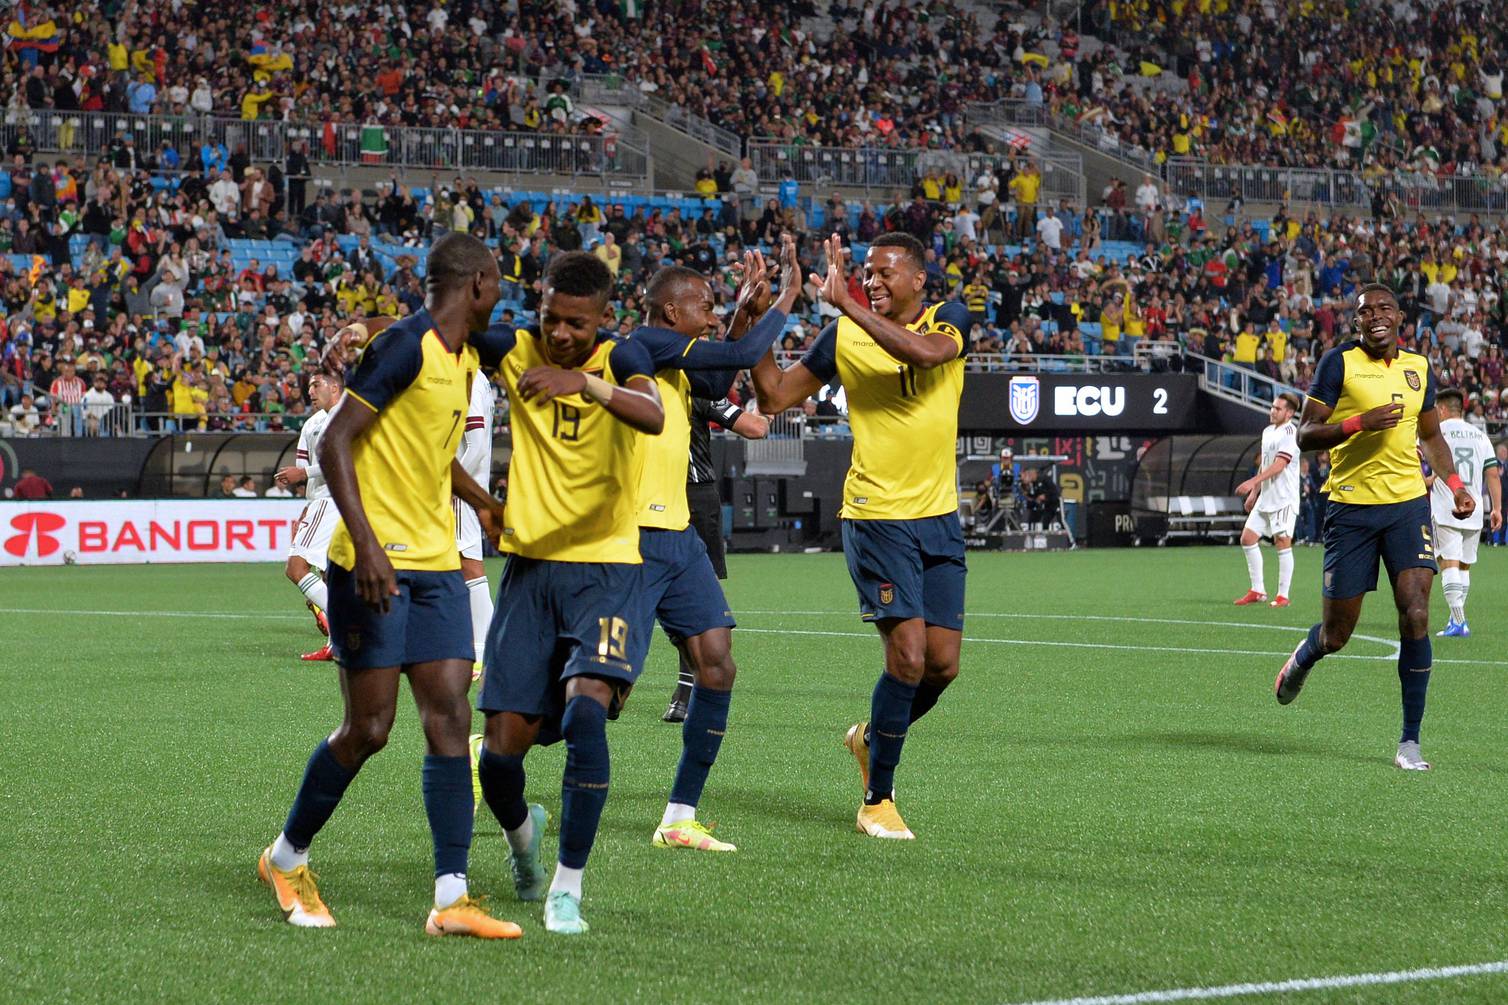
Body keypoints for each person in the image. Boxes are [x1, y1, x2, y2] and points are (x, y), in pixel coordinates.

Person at [256, 233, 519, 938]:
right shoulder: (406, 347)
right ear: (478, 282)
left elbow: (429, 454)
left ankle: (451, 896)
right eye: (498, 284)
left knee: (450, 716)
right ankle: (285, 857)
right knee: (369, 729)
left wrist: (483, 504)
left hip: (435, 564)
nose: (502, 296)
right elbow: (335, 439)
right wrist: (367, 545)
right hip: (372, 564)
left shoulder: (462, 355)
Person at [751, 232, 973, 840]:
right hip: (876, 516)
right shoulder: (842, 335)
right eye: (866, 273)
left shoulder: (950, 318)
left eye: (883, 273)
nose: (871, 281)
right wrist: (757, 326)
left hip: (938, 518)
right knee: (907, 658)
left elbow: (926, 355)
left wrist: (848, 303)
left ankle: (871, 738)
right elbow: (773, 396)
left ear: (919, 279)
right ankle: (878, 800)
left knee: (942, 666)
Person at [469, 252, 664, 936]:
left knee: (586, 717)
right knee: (498, 759)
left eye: (576, 324)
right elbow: (435, 331)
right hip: (530, 573)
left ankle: (567, 889)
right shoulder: (514, 346)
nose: (559, 333)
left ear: (603, 317)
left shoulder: (621, 357)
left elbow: (653, 414)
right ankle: (523, 838)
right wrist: (367, 328)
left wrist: (583, 381)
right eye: (550, 317)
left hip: (606, 571)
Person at [619, 244, 798, 853]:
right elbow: (742, 356)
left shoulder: (676, 358)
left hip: (678, 537)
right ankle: (502, 740)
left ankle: (679, 816)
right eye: (705, 305)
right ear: (671, 311)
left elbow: (722, 379)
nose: (713, 313)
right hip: (632, 538)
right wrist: (788, 295)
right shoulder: (646, 345)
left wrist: (746, 311)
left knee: (717, 662)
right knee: (608, 694)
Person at [1274, 284, 1473, 773]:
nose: (1376, 316)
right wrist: (1358, 422)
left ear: (1401, 317)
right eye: (1367, 311)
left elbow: (1431, 434)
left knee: (1417, 613)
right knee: (1338, 633)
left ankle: (1410, 741)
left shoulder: (1419, 367)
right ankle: (1307, 653)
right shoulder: (1338, 363)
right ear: (1357, 321)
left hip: (1407, 506)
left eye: (1385, 308)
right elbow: (1304, 435)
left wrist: (1454, 484)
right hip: (1351, 510)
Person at [273, 368, 344, 662]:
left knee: (296, 567)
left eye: (316, 385)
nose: (310, 391)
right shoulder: (312, 424)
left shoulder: (349, 417)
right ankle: (337, 644)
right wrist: (305, 507)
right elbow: (307, 471)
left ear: (335, 386)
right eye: (309, 386)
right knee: (331, 574)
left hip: (333, 500)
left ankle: (349, 622)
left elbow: (346, 461)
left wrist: (302, 473)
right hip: (322, 501)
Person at [1425, 389, 1502, 637]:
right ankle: (1455, 619)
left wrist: (1424, 480)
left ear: (1442, 409)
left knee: (1448, 563)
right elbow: (1492, 474)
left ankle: (1459, 622)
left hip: (1447, 506)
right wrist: (1497, 508)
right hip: (1474, 508)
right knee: (1464, 567)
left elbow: (1414, 456)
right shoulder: (1480, 435)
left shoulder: (1436, 433)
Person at [1233, 391, 1301, 607]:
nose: (1272, 411)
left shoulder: (1290, 432)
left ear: (1289, 413)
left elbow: (1279, 465)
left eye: (1278, 408)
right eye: (1272, 407)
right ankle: (1257, 590)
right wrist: (1255, 493)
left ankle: (1283, 596)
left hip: (1284, 497)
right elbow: (1265, 463)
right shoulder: (1268, 431)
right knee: (1247, 538)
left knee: (1282, 542)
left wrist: (1252, 482)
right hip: (1267, 496)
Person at [455, 368, 498, 678]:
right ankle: (481, 646)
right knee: (459, 565)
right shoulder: (474, 378)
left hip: (463, 489)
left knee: (469, 564)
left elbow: (477, 445)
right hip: (466, 486)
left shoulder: (468, 379)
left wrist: (451, 482)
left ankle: (485, 652)